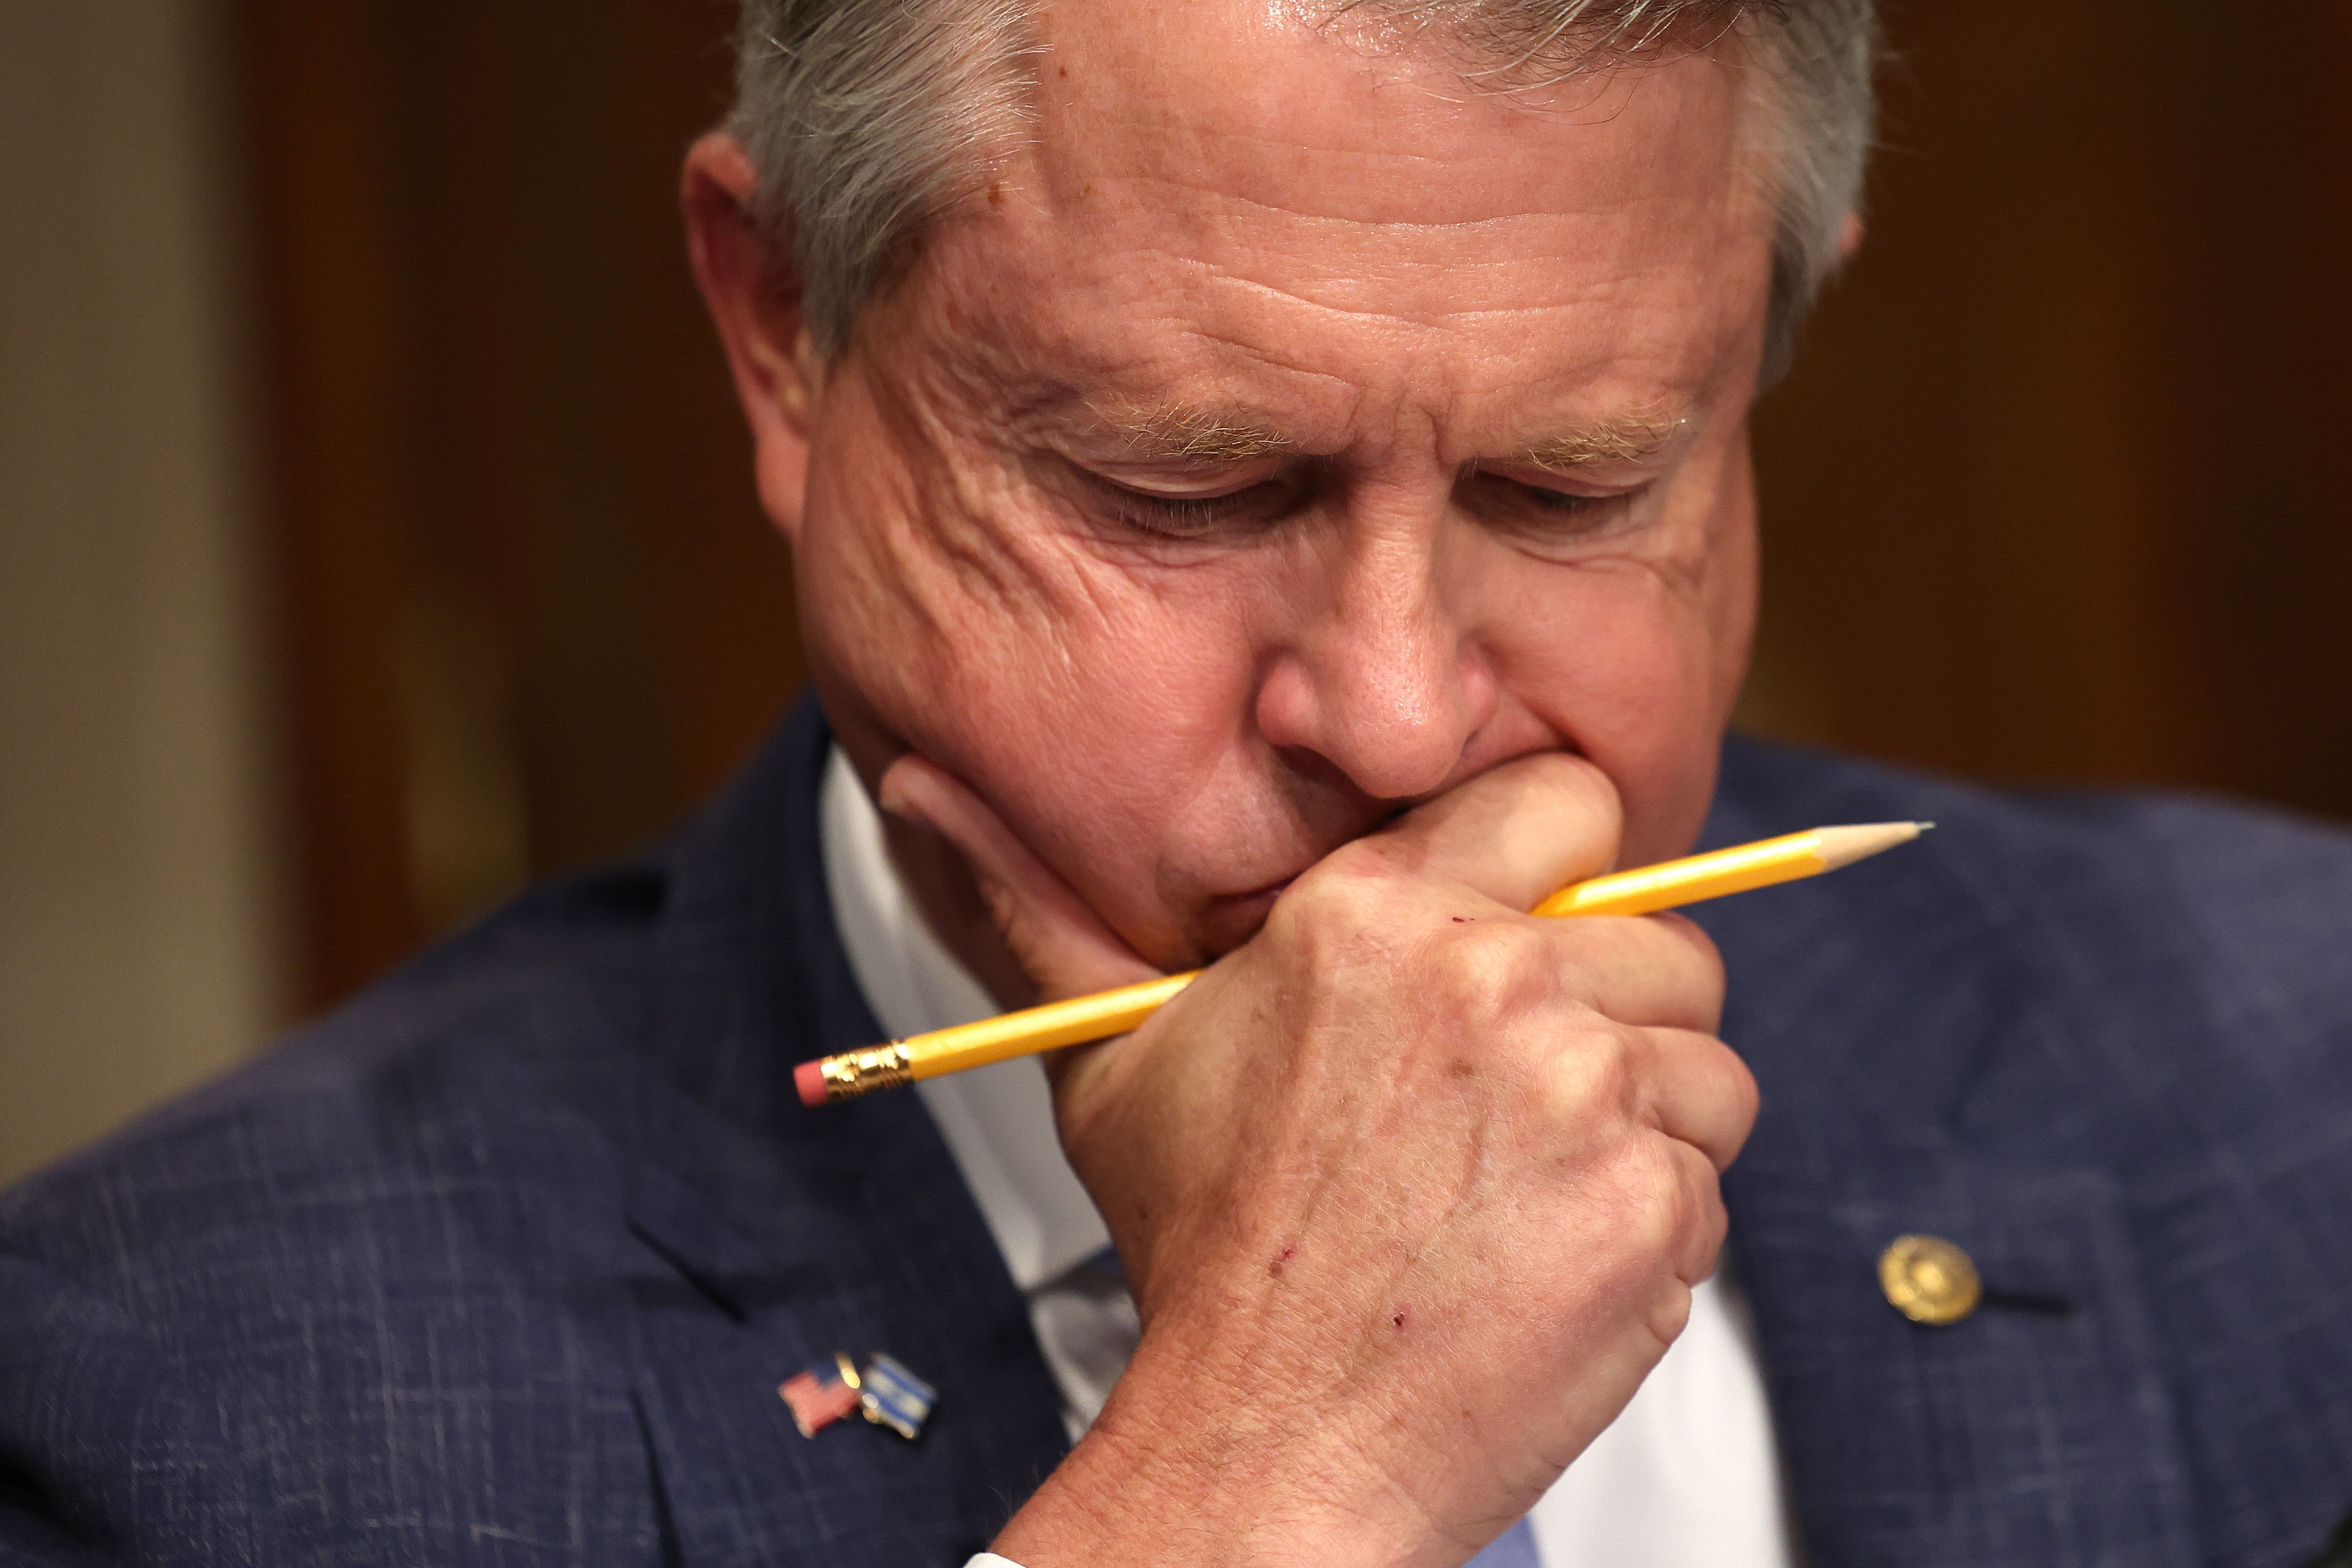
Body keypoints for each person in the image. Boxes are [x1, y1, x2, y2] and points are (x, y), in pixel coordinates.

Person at [4, 1, 2351, 1564]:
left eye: (1575, 487)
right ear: (785, 333)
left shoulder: (2296, 1079)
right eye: (1188, 491)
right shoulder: (181, 1406)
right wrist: (1272, 1481)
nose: (1406, 719)